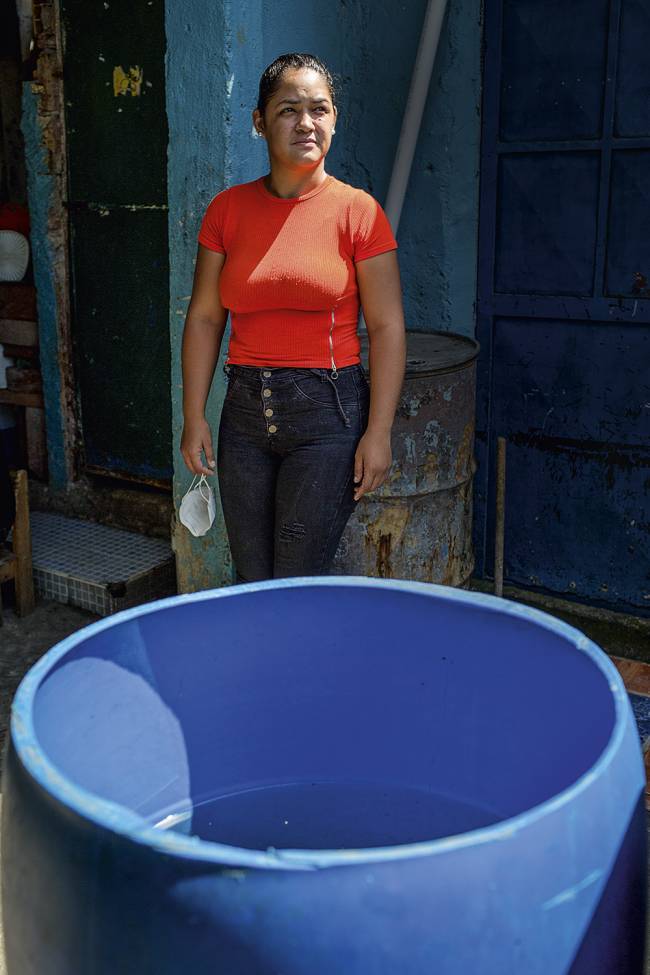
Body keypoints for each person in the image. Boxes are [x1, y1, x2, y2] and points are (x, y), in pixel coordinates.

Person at [180, 52, 406, 582]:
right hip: (243, 416)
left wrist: (380, 431)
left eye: (319, 109)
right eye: (288, 110)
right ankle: (269, 667)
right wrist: (194, 417)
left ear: (334, 120)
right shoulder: (227, 211)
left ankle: (302, 665)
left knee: (298, 576)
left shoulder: (359, 212)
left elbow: (388, 327)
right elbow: (206, 319)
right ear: (260, 122)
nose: (306, 123)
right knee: (253, 578)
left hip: (328, 417)